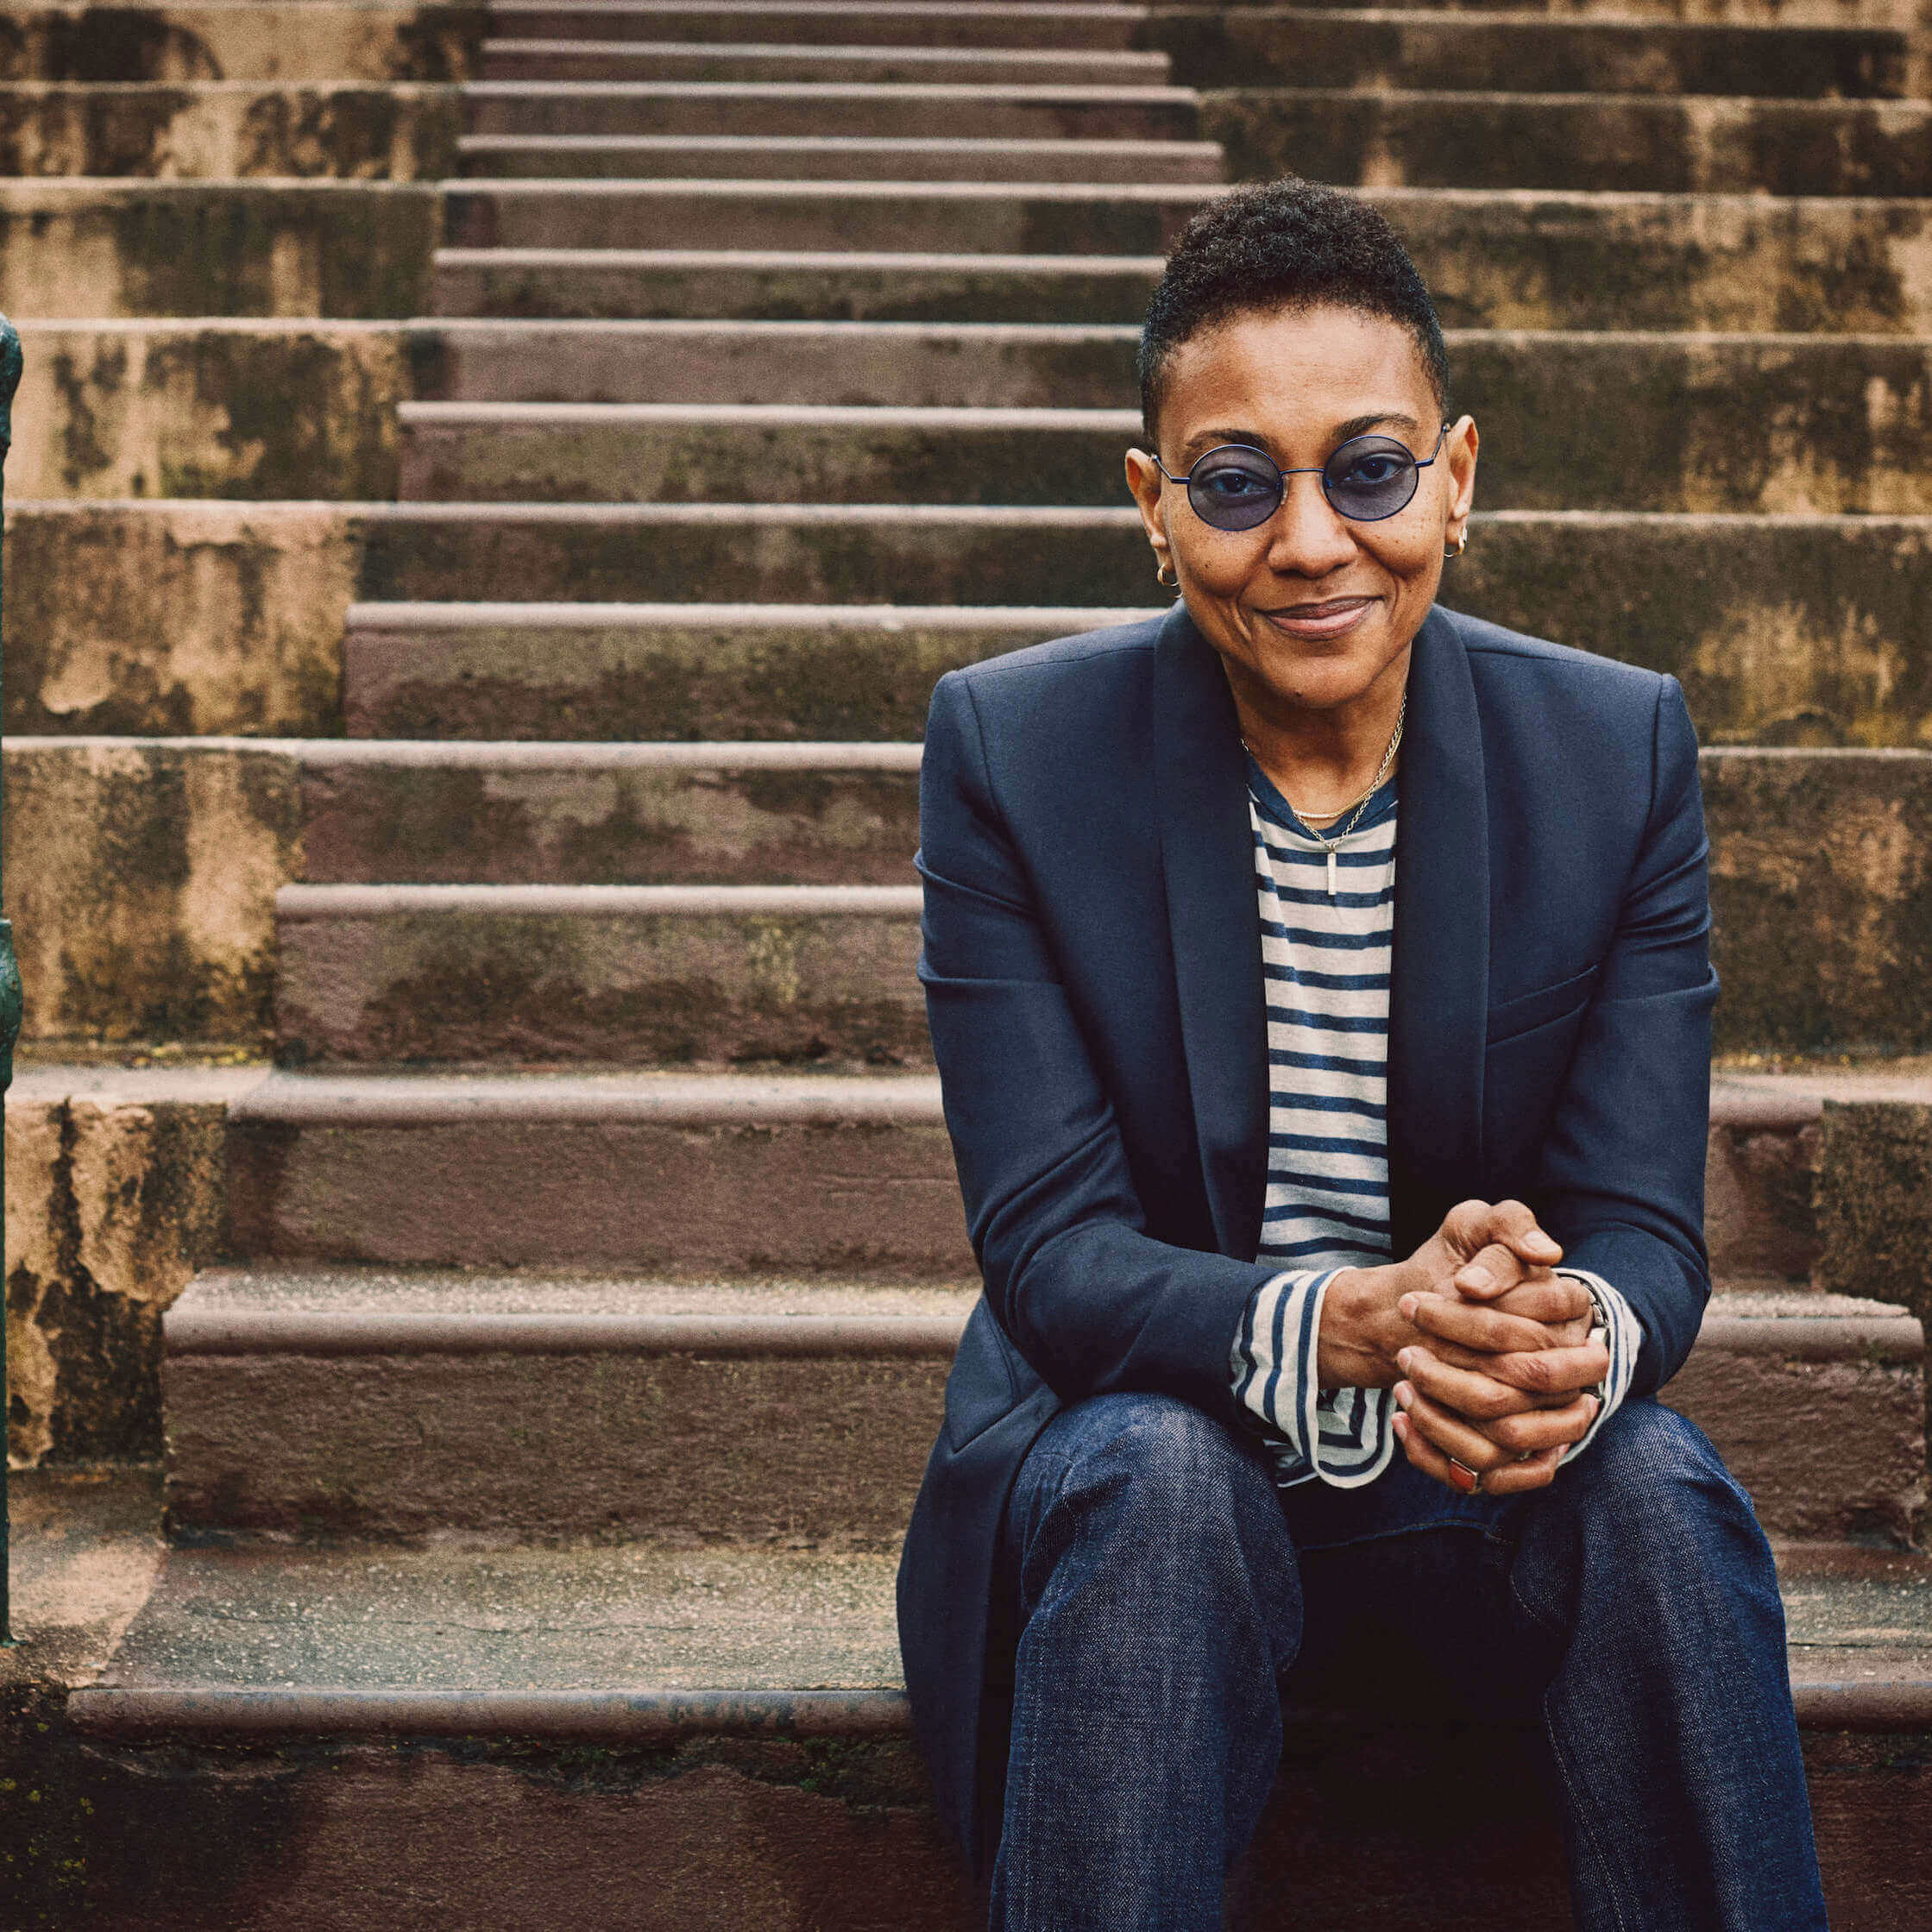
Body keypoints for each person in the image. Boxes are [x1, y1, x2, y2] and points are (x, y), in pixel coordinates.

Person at [894, 178, 1828, 1930]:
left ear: (1455, 477)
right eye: (1238, 483)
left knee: (1650, 1480)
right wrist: (1349, 1320)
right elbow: (1053, 1254)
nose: (1313, 541)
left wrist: (1551, 1339)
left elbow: (1645, 1228)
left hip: (1476, 1488)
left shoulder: (1613, 752)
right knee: (1154, 1477)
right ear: (1154, 507)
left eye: (1371, 470)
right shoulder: (1014, 753)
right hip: (1146, 1493)